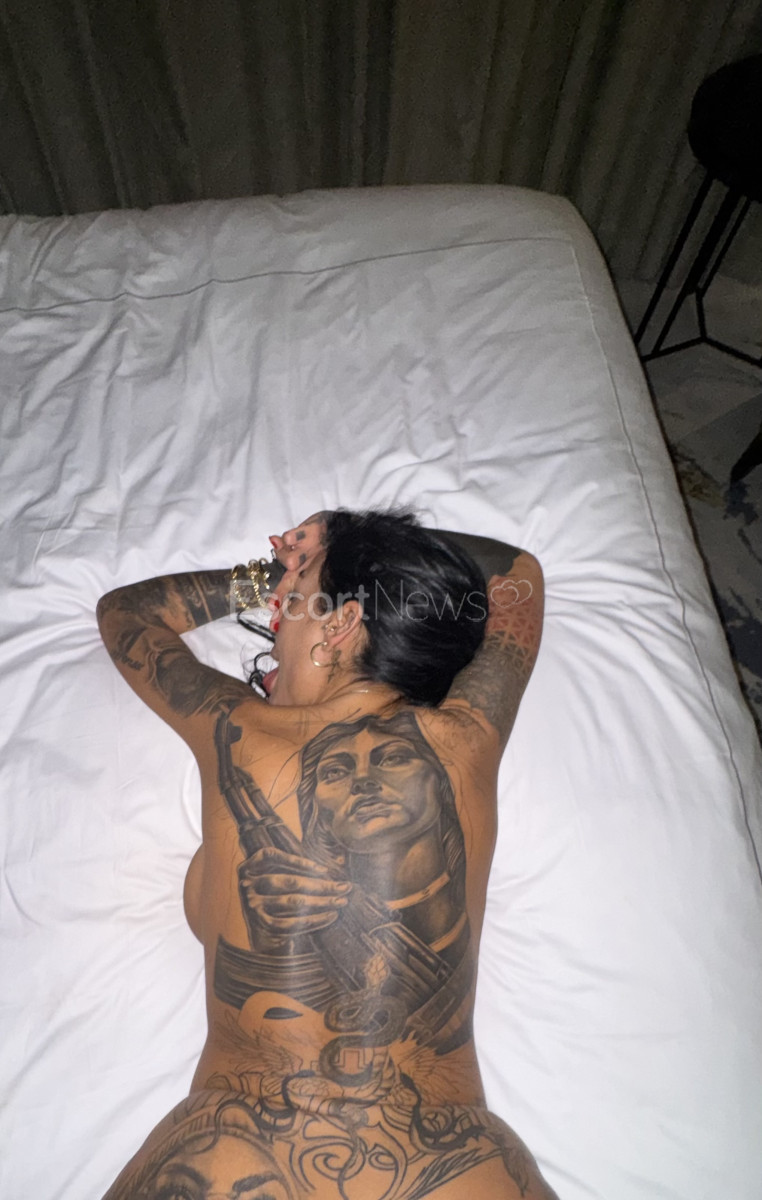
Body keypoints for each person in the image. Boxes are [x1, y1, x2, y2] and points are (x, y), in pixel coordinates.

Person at [97, 508, 556, 1200]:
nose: (273, 632)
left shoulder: (238, 728)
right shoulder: (468, 738)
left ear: (338, 627)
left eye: (283, 615)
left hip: (242, 1145)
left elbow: (127, 614)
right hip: (453, 1161)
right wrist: (323, 559)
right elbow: (516, 575)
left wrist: (270, 576)